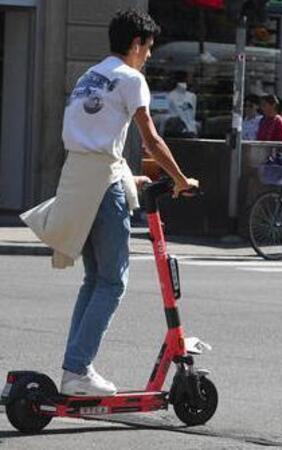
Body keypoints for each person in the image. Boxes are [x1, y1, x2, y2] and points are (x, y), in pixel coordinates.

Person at [20, 9, 199, 396]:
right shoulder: (131, 79)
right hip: (103, 187)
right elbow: (151, 139)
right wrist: (181, 180)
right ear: (136, 44)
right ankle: (78, 370)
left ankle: (74, 368)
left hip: (77, 182)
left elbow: (89, 138)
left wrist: (126, 172)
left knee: (94, 279)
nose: (149, 56)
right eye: (148, 49)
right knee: (113, 282)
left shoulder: (89, 76)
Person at [164, 70, 197, 137]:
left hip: (191, 131)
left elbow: (192, 116)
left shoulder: (192, 96)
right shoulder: (169, 96)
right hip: (176, 131)